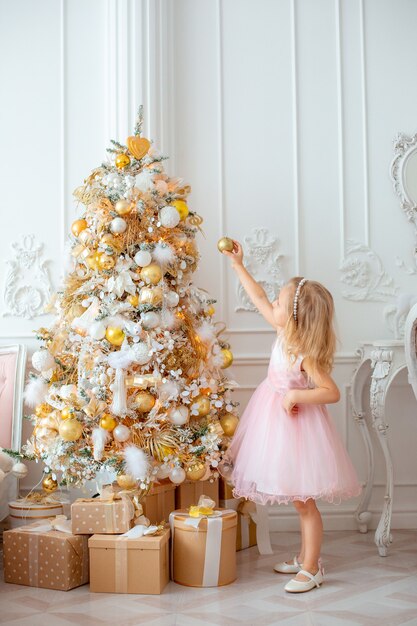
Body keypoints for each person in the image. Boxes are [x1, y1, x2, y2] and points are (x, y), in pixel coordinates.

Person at [220, 240, 361, 593]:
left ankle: (313, 568)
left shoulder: (303, 352)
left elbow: (332, 392)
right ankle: (303, 558)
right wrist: (238, 265)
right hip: (274, 424)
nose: (274, 305)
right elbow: (258, 299)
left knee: (304, 501)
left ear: (295, 316)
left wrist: (297, 394)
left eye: (280, 303)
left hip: (298, 431)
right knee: (298, 500)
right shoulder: (283, 330)